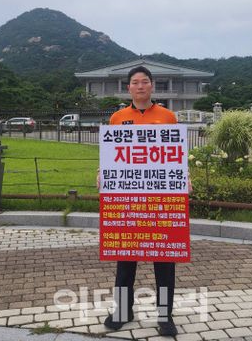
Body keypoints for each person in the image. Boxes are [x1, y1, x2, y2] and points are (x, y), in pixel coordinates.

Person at [100, 66, 181, 337]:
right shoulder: (118, 118)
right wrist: (102, 172)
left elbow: (175, 154)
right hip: (128, 200)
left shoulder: (168, 117)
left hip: (160, 200)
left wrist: (185, 177)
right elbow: (111, 154)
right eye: (135, 82)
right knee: (125, 258)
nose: (140, 86)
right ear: (128, 88)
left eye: (144, 81)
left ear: (152, 86)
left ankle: (165, 315)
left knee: (164, 259)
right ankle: (123, 311)